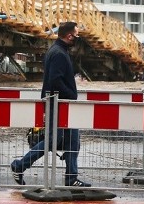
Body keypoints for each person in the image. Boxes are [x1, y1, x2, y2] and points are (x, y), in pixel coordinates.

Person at [10, 21, 90, 188]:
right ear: (69, 36)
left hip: (62, 104)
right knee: (52, 140)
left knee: (73, 141)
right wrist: (70, 94)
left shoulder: (57, 50)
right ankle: (19, 166)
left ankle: (71, 178)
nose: (77, 38)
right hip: (59, 105)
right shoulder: (59, 53)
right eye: (76, 35)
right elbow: (55, 81)